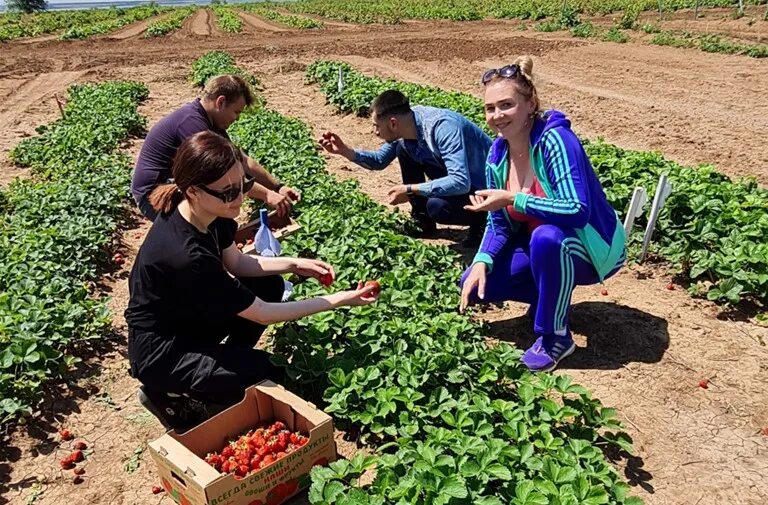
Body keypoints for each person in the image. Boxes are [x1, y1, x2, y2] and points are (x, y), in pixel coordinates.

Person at [126, 131, 378, 429]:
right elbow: (263, 313)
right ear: (193, 190)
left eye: (241, 186)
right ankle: (175, 397)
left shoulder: (209, 213)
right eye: (228, 192)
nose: (239, 199)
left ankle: (226, 364)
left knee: (269, 284)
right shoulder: (186, 254)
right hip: (163, 353)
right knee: (266, 370)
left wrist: (294, 263)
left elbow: (239, 262)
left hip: (186, 321)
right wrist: (339, 300)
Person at [459, 56, 626, 372]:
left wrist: (514, 198)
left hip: (592, 245)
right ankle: (550, 294)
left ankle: (556, 336)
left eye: (506, 105)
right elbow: (499, 221)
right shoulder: (497, 155)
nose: (497, 115)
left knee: (547, 238)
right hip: (545, 245)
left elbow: (577, 210)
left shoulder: (555, 140)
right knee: (477, 283)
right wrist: (482, 260)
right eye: (490, 108)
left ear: (530, 103)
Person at [318, 89, 492, 247]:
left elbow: (460, 181)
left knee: (438, 207)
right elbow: (379, 161)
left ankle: (482, 221)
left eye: (376, 126)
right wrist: (345, 152)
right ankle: (422, 221)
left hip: (484, 190)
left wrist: (411, 190)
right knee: (404, 149)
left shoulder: (442, 127)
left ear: (393, 123)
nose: (374, 132)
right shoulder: (407, 124)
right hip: (460, 181)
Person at [131, 74, 300, 221]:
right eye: (236, 112)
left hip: (178, 188)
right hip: (154, 196)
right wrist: (267, 195)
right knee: (210, 220)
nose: (237, 118)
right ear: (221, 102)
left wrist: (277, 187)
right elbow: (224, 178)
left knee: (218, 216)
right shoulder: (192, 125)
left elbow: (243, 161)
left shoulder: (212, 122)